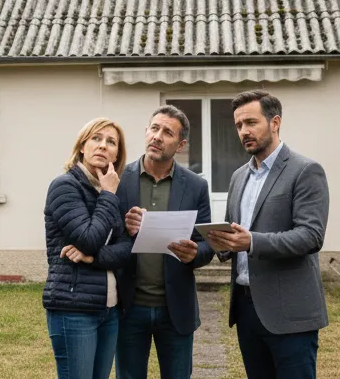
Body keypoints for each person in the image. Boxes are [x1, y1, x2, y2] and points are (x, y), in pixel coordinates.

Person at [207, 90, 330, 379]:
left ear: (275, 123)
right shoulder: (239, 176)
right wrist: (222, 244)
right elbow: (233, 229)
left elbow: (311, 236)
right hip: (247, 311)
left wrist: (251, 242)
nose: (244, 131)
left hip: (290, 314)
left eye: (251, 122)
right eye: (238, 125)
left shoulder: (306, 170)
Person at [113, 105, 215, 379]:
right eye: (154, 128)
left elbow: (208, 245)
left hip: (176, 310)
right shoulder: (118, 180)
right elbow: (105, 235)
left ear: (180, 145)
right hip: (128, 307)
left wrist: (195, 253)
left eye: (167, 132)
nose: (157, 136)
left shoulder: (196, 186)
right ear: (146, 132)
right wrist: (123, 227)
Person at [43, 117, 128, 379]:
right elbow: (88, 238)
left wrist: (92, 259)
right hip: (73, 308)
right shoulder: (65, 186)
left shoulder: (109, 191)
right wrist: (108, 196)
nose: (103, 146)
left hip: (109, 310)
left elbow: (126, 248)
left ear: (117, 153)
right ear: (82, 146)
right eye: (96, 139)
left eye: (111, 142)